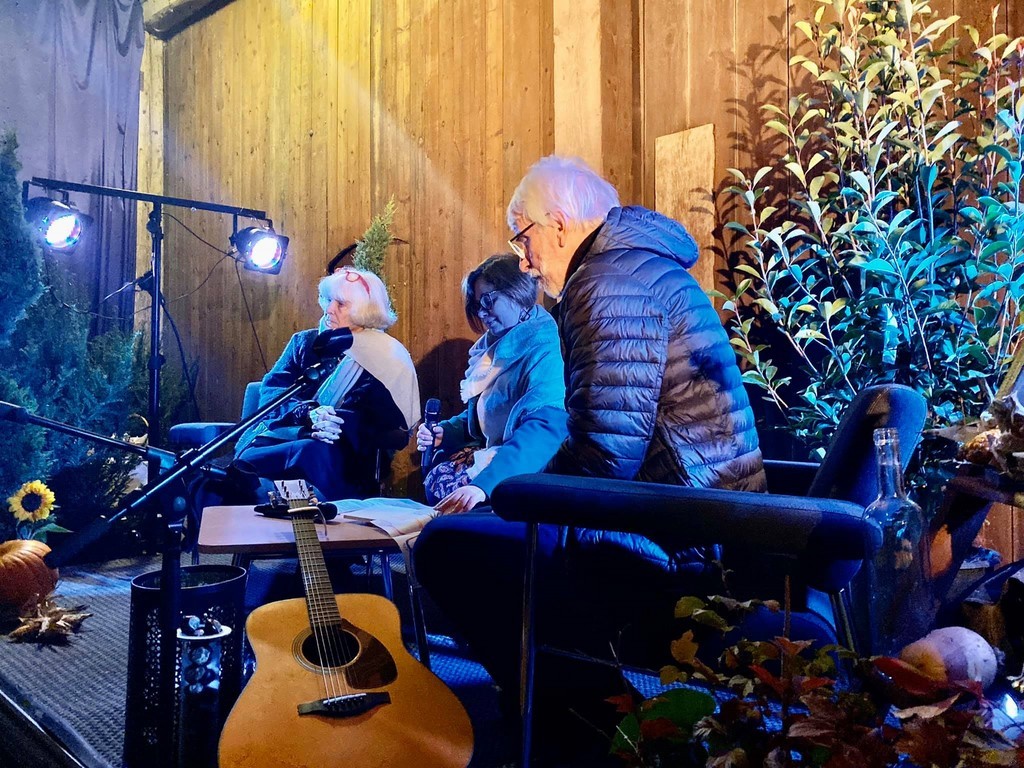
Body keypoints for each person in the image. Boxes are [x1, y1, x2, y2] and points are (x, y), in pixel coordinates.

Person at [413, 156, 765, 753]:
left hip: (686, 540)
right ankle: (576, 709)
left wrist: (503, 497)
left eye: (521, 236)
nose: (523, 260)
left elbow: (604, 459)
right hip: (699, 515)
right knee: (482, 531)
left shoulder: (605, 282)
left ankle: (585, 728)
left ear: (557, 222)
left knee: (447, 547)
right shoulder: (635, 269)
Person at [231, 267, 420, 502]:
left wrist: (334, 422)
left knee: (314, 452)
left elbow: (387, 428)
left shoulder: (387, 357)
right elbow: (272, 392)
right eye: (328, 300)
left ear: (365, 311)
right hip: (281, 437)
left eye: (341, 304)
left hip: (340, 451)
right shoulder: (304, 342)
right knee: (241, 468)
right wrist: (308, 414)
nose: (329, 309)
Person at [415, 253, 567, 514]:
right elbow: (489, 413)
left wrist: (482, 486)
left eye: (488, 300)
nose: (482, 313)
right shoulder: (496, 346)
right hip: (505, 454)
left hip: (532, 463)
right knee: (439, 474)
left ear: (517, 292)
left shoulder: (545, 347)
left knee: (447, 496)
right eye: (477, 305)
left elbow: (545, 429)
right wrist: (446, 432)